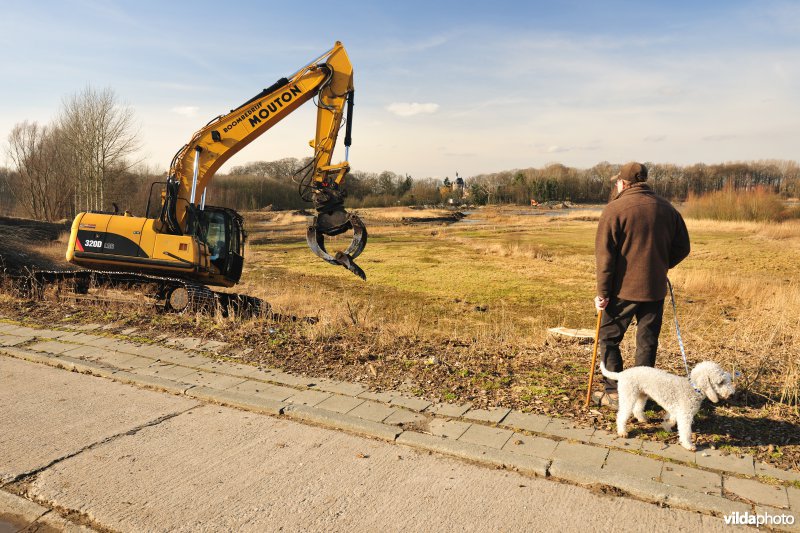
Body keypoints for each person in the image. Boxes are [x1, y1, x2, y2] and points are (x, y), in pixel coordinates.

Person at [592, 162, 691, 408]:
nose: (616, 185)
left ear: (623, 183)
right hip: (655, 289)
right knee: (647, 342)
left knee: (608, 338)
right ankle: (641, 397)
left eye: (617, 182)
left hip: (622, 291)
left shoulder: (614, 209)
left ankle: (614, 393)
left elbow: (605, 258)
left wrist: (603, 293)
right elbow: (683, 248)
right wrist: (661, 266)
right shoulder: (667, 209)